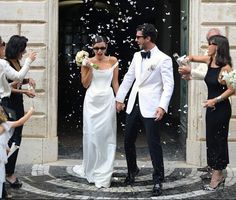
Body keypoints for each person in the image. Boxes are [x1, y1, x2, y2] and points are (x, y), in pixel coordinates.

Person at [116, 23, 174, 196]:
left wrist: (162, 106)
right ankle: (132, 170)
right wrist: (119, 98)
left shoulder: (163, 59)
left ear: (148, 38)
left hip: (152, 106)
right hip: (134, 103)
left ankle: (158, 179)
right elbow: (128, 77)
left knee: (153, 143)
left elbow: (169, 85)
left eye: (138, 37)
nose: (136, 39)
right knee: (127, 141)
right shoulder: (136, 55)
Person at [182, 35, 234, 190]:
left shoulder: (226, 68)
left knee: (219, 140)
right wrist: (184, 66)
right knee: (211, 139)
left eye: (210, 44)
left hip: (221, 108)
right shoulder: (208, 60)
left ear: (217, 47)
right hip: (210, 108)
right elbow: (191, 57)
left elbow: (232, 89)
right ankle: (216, 170)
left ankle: (217, 175)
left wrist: (215, 100)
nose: (207, 47)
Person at [73, 35, 119, 188]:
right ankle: (92, 169)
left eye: (102, 48)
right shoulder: (87, 62)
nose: (99, 51)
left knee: (107, 135)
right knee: (92, 135)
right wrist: (90, 68)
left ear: (107, 47)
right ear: (92, 48)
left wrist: (119, 100)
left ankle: (105, 171)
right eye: (96, 48)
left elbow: (115, 83)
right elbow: (85, 84)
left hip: (107, 100)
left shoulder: (113, 61)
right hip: (92, 101)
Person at [4, 35, 36, 189]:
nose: (23, 53)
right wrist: (24, 92)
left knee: (17, 137)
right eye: (22, 50)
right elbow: (8, 88)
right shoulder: (6, 63)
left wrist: (27, 81)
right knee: (13, 137)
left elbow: (16, 80)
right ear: (17, 49)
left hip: (16, 103)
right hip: (9, 104)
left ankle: (8, 170)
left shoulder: (15, 61)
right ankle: (8, 173)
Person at [0, 107, 34, 199]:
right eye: (2, 111)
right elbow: (20, 122)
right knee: (1, 178)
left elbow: (2, 141)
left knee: (1, 178)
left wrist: (6, 148)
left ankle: (3, 194)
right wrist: (30, 112)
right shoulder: (4, 125)